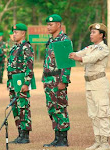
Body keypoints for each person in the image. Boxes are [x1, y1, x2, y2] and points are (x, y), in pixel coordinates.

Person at [69, 23, 110, 150]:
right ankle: (97, 141)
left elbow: (92, 58)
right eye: (91, 32)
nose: (91, 34)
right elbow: (78, 53)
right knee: (93, 114)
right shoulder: (91, 47)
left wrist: (79, 58)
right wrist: (67, 55)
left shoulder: (103, 49)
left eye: (94, 32)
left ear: (102, 35)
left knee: (102, 113)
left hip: (99, 84)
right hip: (89, 84)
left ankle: (105, 143)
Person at [42, 14, 72, 147]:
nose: (48, 27)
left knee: (60, 107)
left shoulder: (64, 40)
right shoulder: (50, 41)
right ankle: (56, 137)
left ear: (59, 25)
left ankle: (63, 139)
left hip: (58, 79)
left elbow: (67, 62)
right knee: (52, 109)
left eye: (51, 24)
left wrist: (63, 81)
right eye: (47, 25)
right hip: (49, 79)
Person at [7, 23, 34, 144]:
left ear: (23, 33)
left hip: (21, 83)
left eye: (16, 32)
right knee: (16, 108)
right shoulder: (14, 48)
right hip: (13, 83)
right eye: (13, 32)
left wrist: (26, 83)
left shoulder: (26, 47)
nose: (14, 34)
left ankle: (25, 135)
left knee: (23, 108)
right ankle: (19, 134)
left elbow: (29, 67)